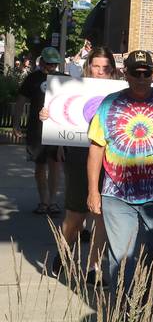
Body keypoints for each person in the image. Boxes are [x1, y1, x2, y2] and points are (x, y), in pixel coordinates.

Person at [86, 50, 153, 300]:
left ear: (152, 74)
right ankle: (123, 306)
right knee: (121, 255)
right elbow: (96, 148)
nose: (142, 78)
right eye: (136, 73)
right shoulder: (110, 103)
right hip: (117, 194)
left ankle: (141, 277)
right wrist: (93, 191)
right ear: (126, 74)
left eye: (146, 73)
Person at [50, 46, 117, 285]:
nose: (100, 72)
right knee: (76, 217)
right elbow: (57, 116)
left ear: (112, 70)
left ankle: (94, 268)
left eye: (105, 68)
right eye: (96, 67)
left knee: (102, 215)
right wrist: (48, 116)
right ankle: (64, 249)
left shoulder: (119, 94)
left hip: (112, 159)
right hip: (80, 156)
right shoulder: (74, 90)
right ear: (89, 67)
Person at [12, 47, 66, 215]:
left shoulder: (64, 79)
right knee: (40, 166)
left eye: (54, 64)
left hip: (57, 129)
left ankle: (53, 202)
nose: (50, 66)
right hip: (36, 129)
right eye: (48, 63)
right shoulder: (32, 78)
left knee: (55, 165)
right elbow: (20, 101)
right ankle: (43, 201)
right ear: (41, 61)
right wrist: (16, 124)